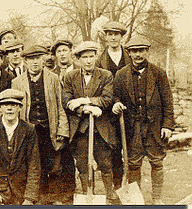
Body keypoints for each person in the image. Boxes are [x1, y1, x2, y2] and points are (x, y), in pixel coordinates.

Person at [112, 36, 174, 205]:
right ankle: (136, 200)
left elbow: (168, 101)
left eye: (141, 50)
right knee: (133, 164)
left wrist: (167, 125)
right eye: (134, 51)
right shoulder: (121, 74)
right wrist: (116, 103)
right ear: (129, 53)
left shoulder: (159, 73)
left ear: (147, 51)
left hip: (154, 127)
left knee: (157, 162)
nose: (138, 54)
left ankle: (157, 198)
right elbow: (115, 96)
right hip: (133, 129)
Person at [11, 45, 74, 205]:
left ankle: (54, 199)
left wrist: (62, 129)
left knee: (54, 167)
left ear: (43, 59)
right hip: (30, 133)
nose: (34, 63)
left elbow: (60, 106)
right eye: (31, 59)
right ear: (25, 61)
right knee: (34, 167)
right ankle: (39, 198)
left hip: (50, 131)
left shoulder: (53, 78)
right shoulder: (17, 82)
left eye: (38, 58)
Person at [61, 41, 118, 205]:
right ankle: (88, 193)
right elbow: (67, 102)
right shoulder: (70, 77)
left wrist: (83, 100)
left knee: (105, 163)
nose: (88, 61)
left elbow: (107, 99)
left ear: (96, 57)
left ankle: (110, 194)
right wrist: (86, 109)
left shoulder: (106, 75)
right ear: (78, 59)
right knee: (83, 165)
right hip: (80, 130)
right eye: (84, 57)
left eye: (91, 56)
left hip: (101, 129)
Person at [96, 21, 131, 194]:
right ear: (106, 37)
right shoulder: (98, 60)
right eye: (110, 34)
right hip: (109, 113)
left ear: (121, 37)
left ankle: (132, 184)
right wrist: (112, 104)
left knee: (132, 150)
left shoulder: (130, 56)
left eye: (116, 34)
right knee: (115, 150)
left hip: (130, 111)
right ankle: (118, 188)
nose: (113, 37)